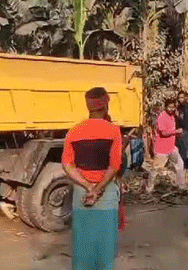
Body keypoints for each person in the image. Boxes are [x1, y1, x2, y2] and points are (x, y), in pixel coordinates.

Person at [61, 87, 122, 270]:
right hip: (107, 193)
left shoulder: (74, 132)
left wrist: (88, 187)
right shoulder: (113, 131)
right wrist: (97, 189)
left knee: (83, 242)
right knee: (105, 243)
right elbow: (114, 166)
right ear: (105, 105)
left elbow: (67, 165)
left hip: (81, 193)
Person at [146, 98, 186, 193]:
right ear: (165, 107)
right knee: (155, 170)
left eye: (173, 107)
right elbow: (163, 133)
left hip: (171, 148)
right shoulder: (162, 117)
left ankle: (181, 186)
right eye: (170, 107)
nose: (171, 109)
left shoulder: (173, 116)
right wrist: (176, 132)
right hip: (162, 149)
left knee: (180, 164)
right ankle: (149, 188)